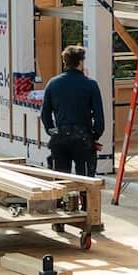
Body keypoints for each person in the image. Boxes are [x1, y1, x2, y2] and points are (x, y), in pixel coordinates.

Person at [39, 43, 104, 177]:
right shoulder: (90, 85)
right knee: (86, 180)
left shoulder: (53, 83)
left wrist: (51, 130)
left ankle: (63, 193)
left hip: (60, 137)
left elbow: (45, 113)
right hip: (83, 138)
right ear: (80, 62)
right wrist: (94, 135)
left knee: (61, 180)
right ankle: (84, 192)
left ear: (65, 62)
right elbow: (99, 117)